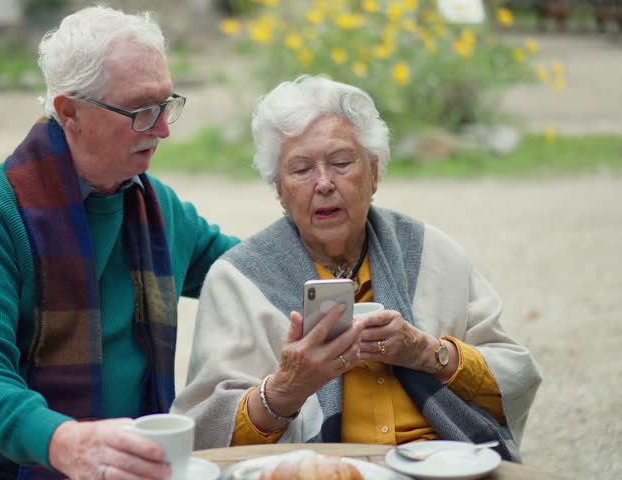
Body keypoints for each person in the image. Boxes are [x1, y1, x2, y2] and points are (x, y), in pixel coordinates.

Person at [0, 6, 238, 480]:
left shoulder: (155, 206)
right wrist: (62, 441)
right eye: (141, 110)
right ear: (70, 112)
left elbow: (247, 269)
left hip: (122, 467)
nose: (162, 129)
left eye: (167, 105)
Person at [171, 75, 542, 461]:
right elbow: (203, 435)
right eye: (301, 170)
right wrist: (285, 390)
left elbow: (517, 374)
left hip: (443, 464)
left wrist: (429, 353)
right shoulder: (238, 280)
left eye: (341, 162)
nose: (324, 183)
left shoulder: (431, 251)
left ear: (374, 173)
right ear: (279, 191)